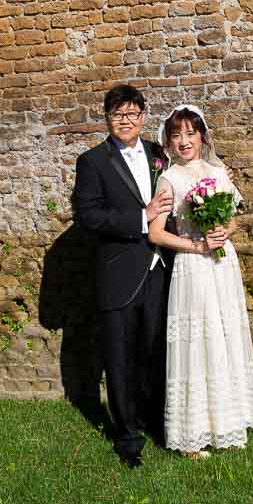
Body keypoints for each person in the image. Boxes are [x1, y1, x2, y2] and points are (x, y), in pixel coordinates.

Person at [147, 105, 253, 459]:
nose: (184, 141)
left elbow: (234, 220)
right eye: (176, 135)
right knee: (198, 341)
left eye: (190, 133)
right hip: (193, 268)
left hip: (222, 265)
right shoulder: (169, 180)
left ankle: (227, 420)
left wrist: (222, 230)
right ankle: (191, 436)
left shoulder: (217, 172)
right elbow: (155, 233)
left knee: (224, 336)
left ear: (201, 136)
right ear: (168, 141)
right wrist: (196, 245)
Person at [72, 84, 173, 468]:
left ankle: (155, 422)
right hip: (117, 275)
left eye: (132, 113)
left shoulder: (158, 154)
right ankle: (128, 438)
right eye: (118, 115)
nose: (126, 121)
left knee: (156, 350)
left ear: (143, 116)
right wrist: (139, 217)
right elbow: (89, 217)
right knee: (119, 358)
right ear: (108, 119)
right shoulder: (92, 162)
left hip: (160, 269)